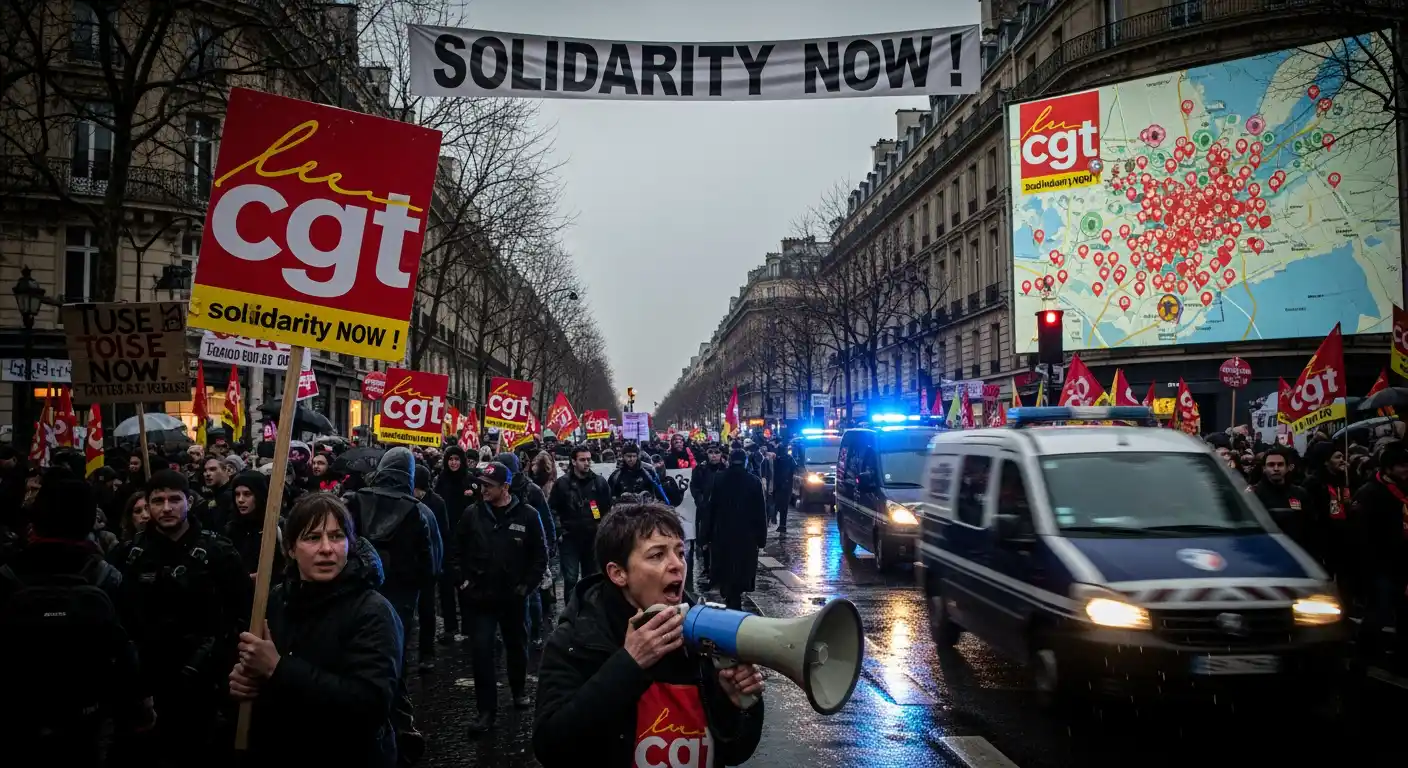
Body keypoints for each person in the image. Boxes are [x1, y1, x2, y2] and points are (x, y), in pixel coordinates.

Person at [532, 502, 765, 767]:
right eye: (657, 555)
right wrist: (629, 664)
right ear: (619, 574)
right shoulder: (577, 639)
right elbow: (551, 748)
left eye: (680, 552)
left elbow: (735, 752)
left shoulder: (704, 636)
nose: (677, 564)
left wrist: (735, 705)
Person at [230, 493, 403, 767]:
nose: (326, 548)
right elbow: (263, 674)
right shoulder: (276, 599)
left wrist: (278, 668)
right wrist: (247, 681)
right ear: (289, 548)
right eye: (312, 538)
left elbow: (370, 706)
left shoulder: (372, 611)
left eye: (336, 537)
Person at [2, 477, 154, 767]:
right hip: (89, 714)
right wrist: (140, 706)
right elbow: (128, 646)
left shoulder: (9, 573)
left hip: (19, 712)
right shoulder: (106, 575)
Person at [108, 470, 252, 765]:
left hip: (207, 682)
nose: (167, 507)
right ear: (147, 506)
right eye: (158, 500)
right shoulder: (128, 555)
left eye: (175, 499)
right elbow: (117, 622)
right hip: (147, 682)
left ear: (189, 501)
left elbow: (243, 612)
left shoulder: (219, 552)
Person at [448, 462, 546, 736]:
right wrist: (463, 583)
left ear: (505, 488)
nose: (483, 490)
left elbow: (540, 556)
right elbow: (455, 551)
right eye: (481, 484)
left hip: (514, 599)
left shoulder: (528, 515)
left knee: (517, 646)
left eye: (489, 486)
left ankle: (518, 690)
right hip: (480, 598)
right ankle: (486, 711)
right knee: (481, 652)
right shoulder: (472, 514)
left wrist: (526, 587)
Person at [701, 449, 768, 610]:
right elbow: (760, 512)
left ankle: (729, 596)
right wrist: (761, 538)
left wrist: (704, 536)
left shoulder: (718, 479)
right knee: (742, 570)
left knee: (725, 570)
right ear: (745, 461)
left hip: (722, 534)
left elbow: (710, 509)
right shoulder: (754, 481)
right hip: (746, 536)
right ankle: (735, 598)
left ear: (729, 460)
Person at [548, 446, 613, 600]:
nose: (586, 463)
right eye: (582, 460)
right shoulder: (562, 484)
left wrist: (603, 531)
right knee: (570, 578)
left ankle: (589, 611)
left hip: (592, 538)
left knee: (591, 579)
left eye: (589, 459)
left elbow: (608, 509)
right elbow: (552, 509)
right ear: (573, 461)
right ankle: (570, 615)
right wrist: (559, 530)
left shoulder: (599, 482)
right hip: (569, 538)